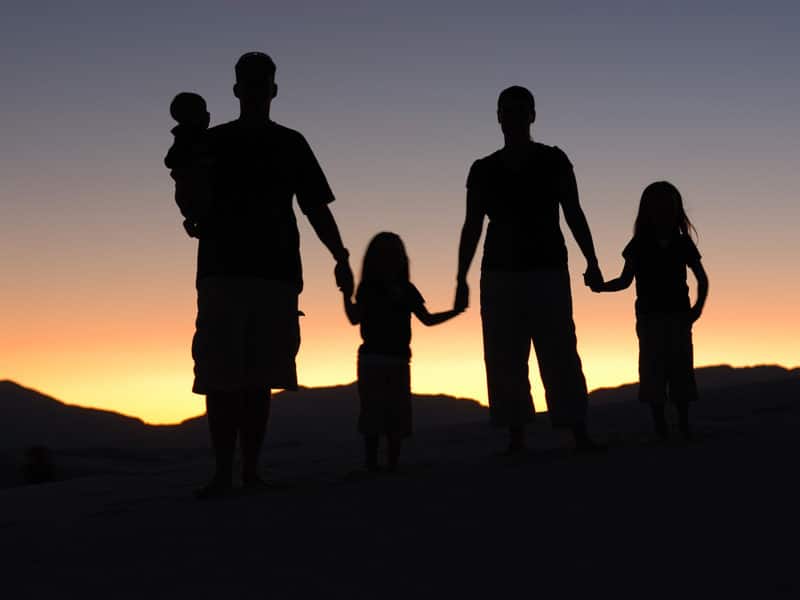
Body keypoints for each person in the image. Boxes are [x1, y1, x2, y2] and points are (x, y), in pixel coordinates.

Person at [167, 52, 354, 499]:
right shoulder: (212, 142)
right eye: (249, 83)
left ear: (271, 89)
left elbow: (314, 207)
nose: (254, 90)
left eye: (259, 83)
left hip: (268, 272)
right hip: (228, 270)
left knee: (255, 376)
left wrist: (340, 255)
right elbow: (184, 186)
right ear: (239, 90)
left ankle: (244, 472)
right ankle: (227, 473)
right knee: (223, 374)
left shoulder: (288, 143)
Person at [455, 85, 602, 454]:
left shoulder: (553, 160)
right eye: (508, 109)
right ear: (499, 117)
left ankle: (576, 429)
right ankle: (516, 435)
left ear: (532, 115)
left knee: (560, 351)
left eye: (522, 109)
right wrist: (461, 277)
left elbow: (573, 212)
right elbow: (472, 224)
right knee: (505, 356)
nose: (516, 116)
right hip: (501, 273)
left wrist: (592, 260)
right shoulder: (484, 169)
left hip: (547, 269)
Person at [589, 181, 708, 440]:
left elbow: (702, 279)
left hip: (677, 316)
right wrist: (600, 287)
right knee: (654, 370)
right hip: (651, 317)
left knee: (679, 369)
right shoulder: (640, 244)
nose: (662, 210)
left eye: (667, 204)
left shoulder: (682, 243)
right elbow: (624, 281)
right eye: (657, 205)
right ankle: (661, 427)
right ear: (648, 210)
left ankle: (683, 425)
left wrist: (696, 310)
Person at [342, 232, 463, 472]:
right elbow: (427, 320)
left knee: (377, 412)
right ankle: (387, 465)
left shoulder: (375, 288)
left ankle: (375, 465)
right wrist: (455, 312)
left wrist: (346, 295)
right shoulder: (397, 289)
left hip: (381, 359)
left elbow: (354, 318)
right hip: (387, 359)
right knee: (390, 412)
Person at [164, 92, 213, 238]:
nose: (208, 115)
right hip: (191, 187)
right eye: (203, 112)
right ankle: (193, 220)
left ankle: (193, 221)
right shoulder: (186, 138)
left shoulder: (197, 138)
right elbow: (170, 161)